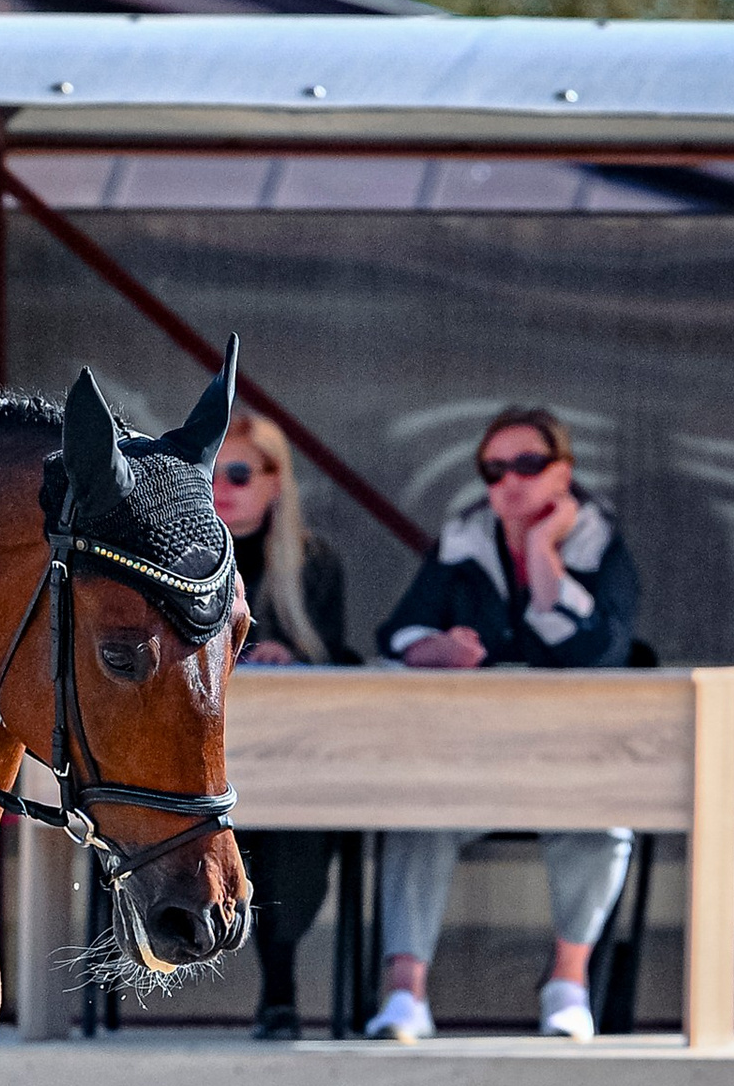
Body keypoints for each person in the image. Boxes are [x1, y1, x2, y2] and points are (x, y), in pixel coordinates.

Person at [365, 406, 640, 1044]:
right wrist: (433, 650)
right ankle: (405, 994)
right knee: (414, 810)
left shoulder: (601, 542)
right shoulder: (462, 540)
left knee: (606, 822)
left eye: (528, 464)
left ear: (563, 472)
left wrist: (543, 552)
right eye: (493, 468)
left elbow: (599, 650)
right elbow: (398, 631)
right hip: (470, 757)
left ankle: (567, 984)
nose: (509, 481)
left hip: (572, 759)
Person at [213, 407, 355, 1038]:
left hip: (288, 759)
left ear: (275, 480)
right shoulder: (178, 558)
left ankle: (281, 988)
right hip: (202, 760)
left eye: (239, 474)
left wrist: (293, 657)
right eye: (208, 474)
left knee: (292, 825)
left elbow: (334, 656)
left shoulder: (314, 563)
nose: (220, 490)